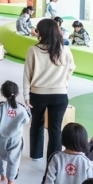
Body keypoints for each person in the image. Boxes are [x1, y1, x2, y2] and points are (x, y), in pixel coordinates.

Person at [23, 18, 76, 161]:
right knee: (55, 128)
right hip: (60, 95)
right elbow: (71, 68)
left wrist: (26, 95)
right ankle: (53, 160)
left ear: (42, 32)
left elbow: (27, 74)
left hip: (37, 94)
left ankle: (36, 155)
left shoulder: (33, 50)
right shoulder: (65, 50)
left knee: (37, 124)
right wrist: (64, 83)